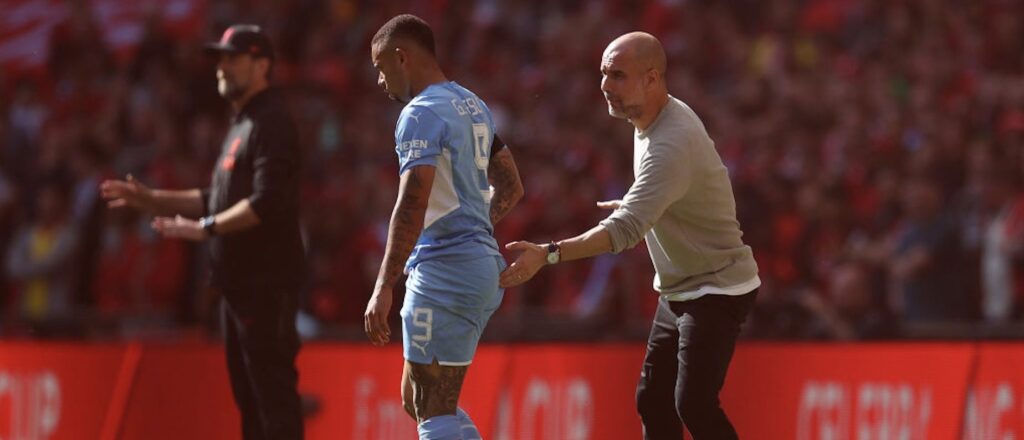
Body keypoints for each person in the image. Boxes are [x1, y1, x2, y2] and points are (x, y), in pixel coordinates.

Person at [500, 32, 759, 440]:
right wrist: (641, 204)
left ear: (652, 79)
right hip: (681, 288)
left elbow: (623, 233)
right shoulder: (650, 119)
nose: (605, 85)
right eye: (603, 74)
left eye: (618, 76)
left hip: (717, 287)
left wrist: (548, 254)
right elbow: (673, 195)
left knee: (693, 403)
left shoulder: (669, 143)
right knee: (653, 401)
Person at [100, 24, 305, 440]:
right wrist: (153, 199)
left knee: (273, 403)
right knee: (251, 405)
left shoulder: (272, 121)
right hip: (239, 289)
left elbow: (266, 200)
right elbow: (217, 195)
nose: (222, 67)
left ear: (262, 63)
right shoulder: (242, 124)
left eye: (233, 57)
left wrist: (206, 228)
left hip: (266, 286)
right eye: (220, 59)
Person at [363, 14, 523, 440]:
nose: (381, 82)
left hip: (445, 271)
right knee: (416, 400)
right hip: (480, 267)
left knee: (433, 409)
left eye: (381, 69)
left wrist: (384, 285)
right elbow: (512, 184)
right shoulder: (472, 104)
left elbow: (412, 202)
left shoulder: (420, 113)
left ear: (402, 58)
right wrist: (474, 230)